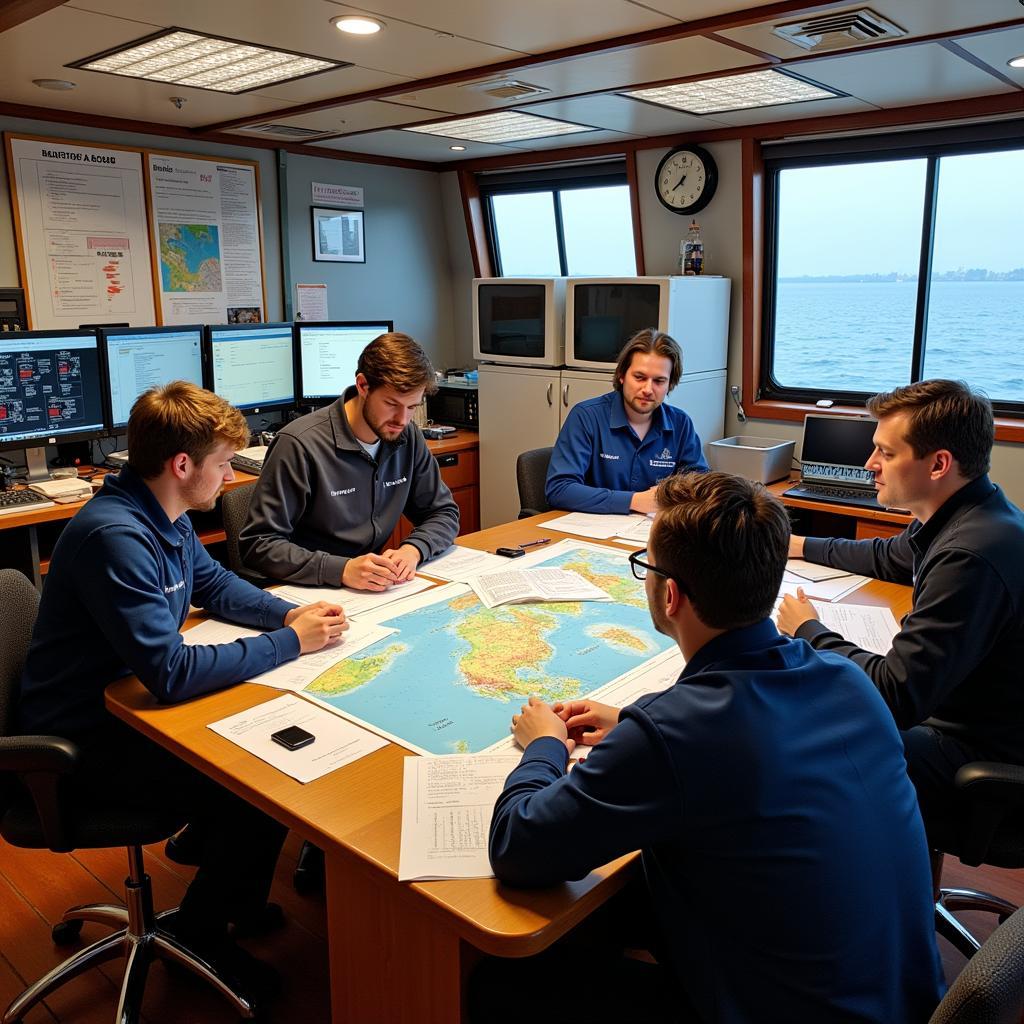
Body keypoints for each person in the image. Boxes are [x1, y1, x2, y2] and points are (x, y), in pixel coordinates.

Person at [475, 472, 944, 1024]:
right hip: (900, 1001)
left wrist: (545, 748)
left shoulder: (673, 733)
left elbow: (517, 847)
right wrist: (632, 720)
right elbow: (747, 737)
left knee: (497, 982)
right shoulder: (847, 679)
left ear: (669, 595)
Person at [18, 381, 348, 1000]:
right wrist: (292, 644)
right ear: (182, 465)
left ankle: (235, 901)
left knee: (264, 762)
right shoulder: (115, 536)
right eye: (223, 464)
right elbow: (170, 674)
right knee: (258, 781)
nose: (228, 477)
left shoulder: (160, 515)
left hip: (125, 707)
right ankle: (200, 933)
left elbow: (217, 586)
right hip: (81, 738)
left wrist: (287, 616)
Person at [777, 379, 1024, 849]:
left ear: (938, 465)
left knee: (800, 736)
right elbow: (890, 557)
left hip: (977, 757)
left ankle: (855, 892)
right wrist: (798, 545)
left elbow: (894, 696)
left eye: (886, 454)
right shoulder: (972, 514)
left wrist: (809, 630)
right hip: (976, 718)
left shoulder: (970, 555)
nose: (869, 465)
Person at [240, 331, 459, 589]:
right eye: (391, 404)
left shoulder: (407, 436)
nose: (402, 419)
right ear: (363, 385)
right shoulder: (299, 444)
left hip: (369, 590)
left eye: (412, 407)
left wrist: (413, 550)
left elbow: (443, 512)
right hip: (305, 591)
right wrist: (341, 569)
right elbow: (259, 545)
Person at [544, 329, 707, 515]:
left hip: (653, 533)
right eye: (639, 377)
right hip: (592, 533)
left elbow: (700, 487)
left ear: (670, 384)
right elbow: (559, 490)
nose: (647, 389)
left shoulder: (681, 424)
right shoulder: (586, 417)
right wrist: (634, 501)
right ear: (622, 376)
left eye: (659, 381)